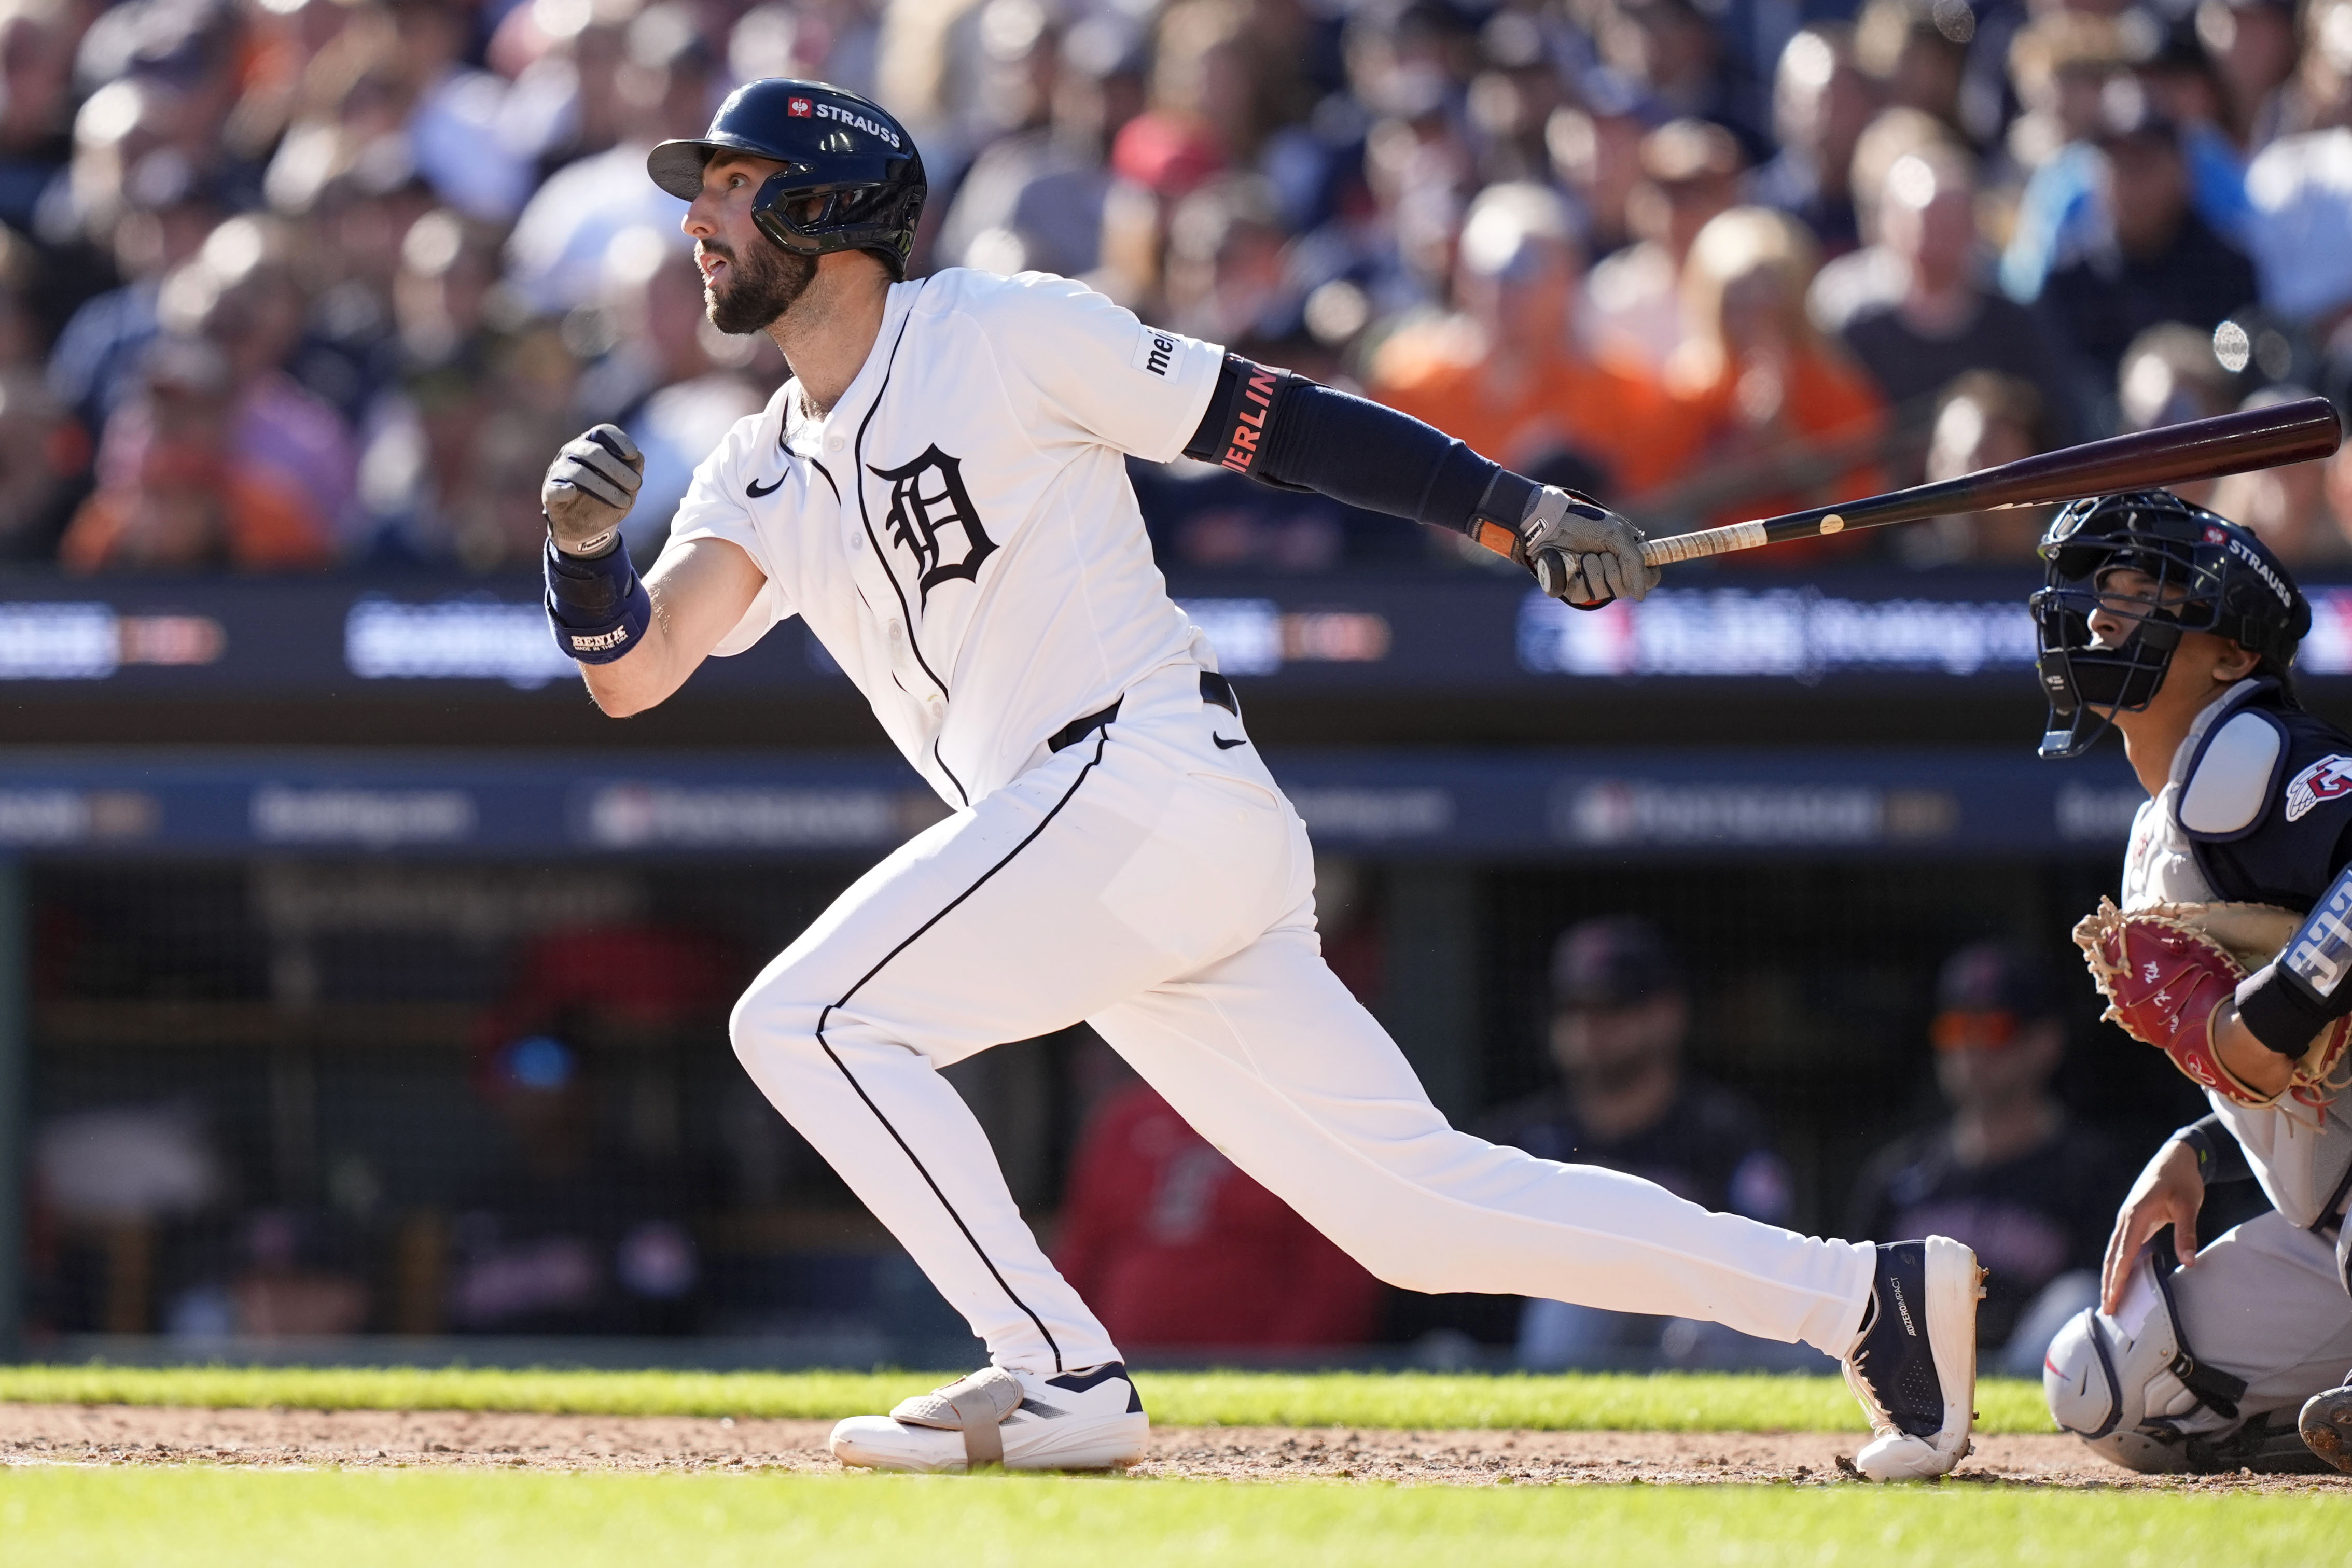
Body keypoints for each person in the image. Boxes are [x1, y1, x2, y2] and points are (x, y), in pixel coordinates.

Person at [535, 77, 1982, 1481]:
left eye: (730, 188)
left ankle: (1051, 1367)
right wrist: (583, 562)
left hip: (1135, 775)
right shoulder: (752, 466)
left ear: (830, 206)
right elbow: (636, 670)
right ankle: (1861, 1298)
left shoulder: (1000, 329)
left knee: (805, 1021)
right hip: (1109, 849)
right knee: (1416, 1214)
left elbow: (1270, 421)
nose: (697, 222)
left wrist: (1509, 510)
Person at [2029, 489, 2352, 1474]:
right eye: (2107, 591)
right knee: (2110, 1387)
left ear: (2232, 653)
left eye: (2149, 594)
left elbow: (2270, 1027)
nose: (2105, 611)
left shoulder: (2255, 752)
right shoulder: (2163, 825)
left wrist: (2277, 1008)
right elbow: (2307, 1087)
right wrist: (2202, 1148)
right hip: (2334, 1221)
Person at [1479, 917, 1796, 1369]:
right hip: (1551, 1350)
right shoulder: (1517, 1140)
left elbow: (1764, 1271)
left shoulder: (1722, 1133)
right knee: (1572, 1302)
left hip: (1683, 1339)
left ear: (1667, 1014)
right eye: (1575, 1007)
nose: (1590, 1026)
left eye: (1612, 1007)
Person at [1846, 941, 2128, 1378]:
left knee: (2077, 1298)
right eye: (1956, 1029)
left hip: (2039, 1373)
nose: (1969, 1050)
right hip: (1911, 1377)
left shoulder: (2090, 1174)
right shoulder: (1897, 1173)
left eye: (1992, 1030)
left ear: (2045, 1043)